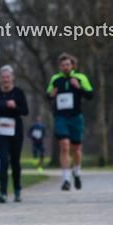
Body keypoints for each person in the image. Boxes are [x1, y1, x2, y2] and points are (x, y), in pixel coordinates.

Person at [46, 53, 93, 191]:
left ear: (72, 65)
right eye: (63, 65)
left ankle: (76, 172)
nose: (65, 67)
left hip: (76, 117)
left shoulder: (80, 78)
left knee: (76, 148)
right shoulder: (55, 79)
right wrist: (51, 94)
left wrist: (78, 87)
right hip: (61, 117)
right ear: (59, 67)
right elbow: (48, 94)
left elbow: (90, 95)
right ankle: (66, 180)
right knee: (64, 146)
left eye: (68, 64)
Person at [0, 65, 29, 203]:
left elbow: (25, 111)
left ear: (12, 78)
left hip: (16, 130)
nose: (5, 79)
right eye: (3, 77)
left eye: (8, 77)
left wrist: (15, 106)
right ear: (0, 78)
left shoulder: (18, 93)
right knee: (4, 161)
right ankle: (3, 193)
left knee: (15, 161)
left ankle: (17, 190)